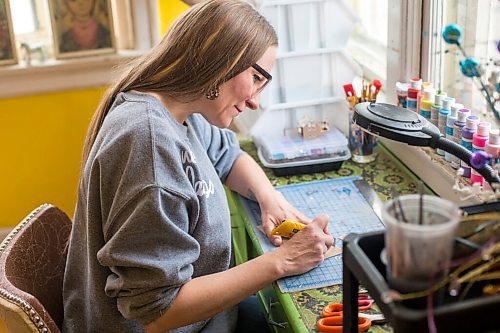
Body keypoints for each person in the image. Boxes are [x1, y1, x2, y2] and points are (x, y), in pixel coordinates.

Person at [62, 1, 333, 332]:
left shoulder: (181, 110)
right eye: (256, 78)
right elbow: (158, 311)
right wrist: (283, 261)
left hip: (208, 320)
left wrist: (269, 198)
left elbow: (228, 156)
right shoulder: (148, 142)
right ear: (220, 63)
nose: (255, 101)